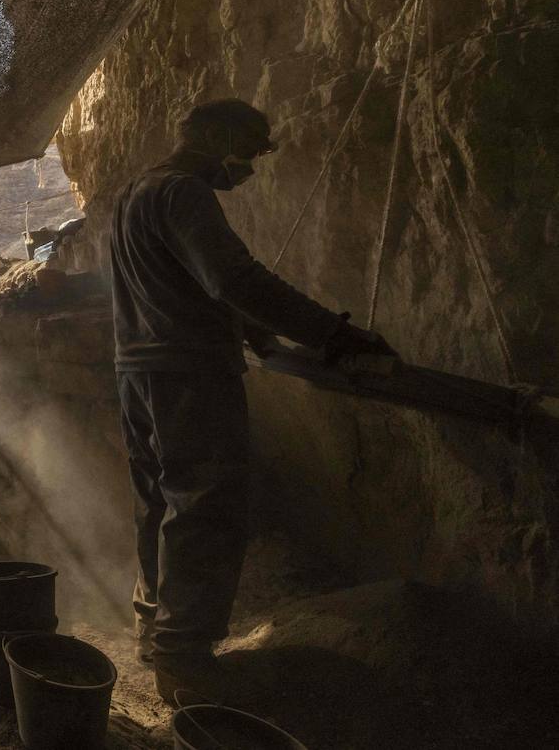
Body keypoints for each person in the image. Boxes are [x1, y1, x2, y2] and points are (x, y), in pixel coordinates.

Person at [109, 98, 396, 705]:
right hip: (189, 374)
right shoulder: (185, 193)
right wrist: (334, 334)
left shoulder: (135, 192)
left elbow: (177, 284)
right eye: (251, 149)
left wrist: (250, 330)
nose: (250, 167)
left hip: (138, 372)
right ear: (216, 138)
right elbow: (231, 279)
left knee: (158, 502)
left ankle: (155, 633)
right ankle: (184, 659)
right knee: (205, 507)